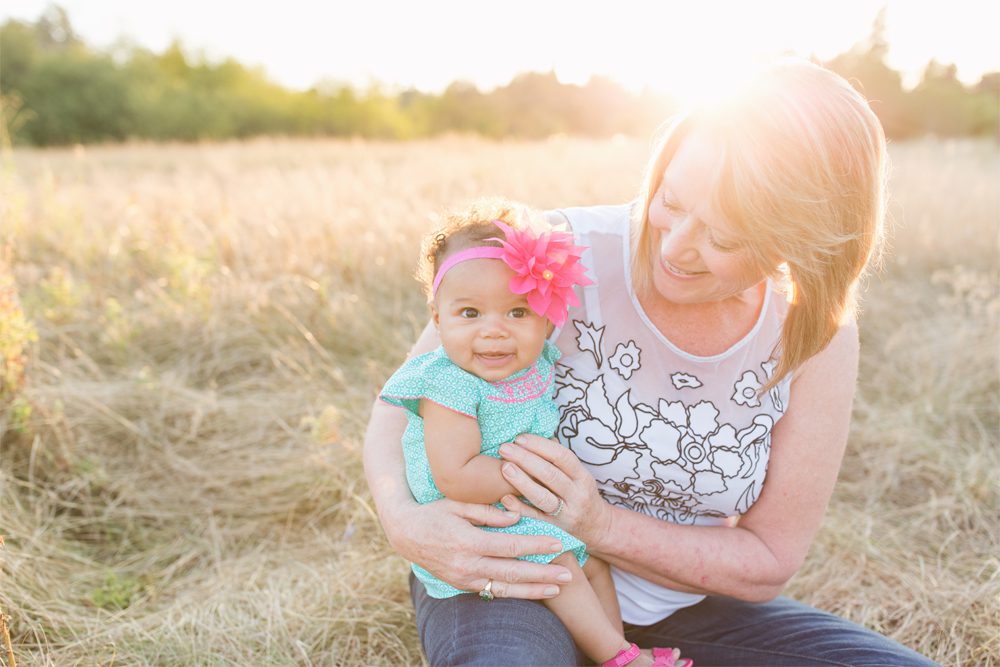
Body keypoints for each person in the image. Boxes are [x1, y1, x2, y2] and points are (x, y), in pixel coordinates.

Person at [364, 59, 939, 666]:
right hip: (516, 569)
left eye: (723, 237)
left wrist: (597, 524)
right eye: (671, 199)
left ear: (804, 239)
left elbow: (769, 559)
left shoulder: (812, 328)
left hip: (679, 606)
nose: (674, 246)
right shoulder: (548, 254)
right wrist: (404, 521)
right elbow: (399, 405)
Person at [377, 200, 690, 667]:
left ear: (548, 320)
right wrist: (537, 477)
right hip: (478, 514)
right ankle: (619, 659)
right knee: (559, 565)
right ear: (437, 318)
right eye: (470, 313)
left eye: (517, 313)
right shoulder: (447, 384)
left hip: (514, 500)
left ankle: (616, 649)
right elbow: (456, 476)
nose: (494, 332)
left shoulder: (535, 365)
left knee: (594, 563)